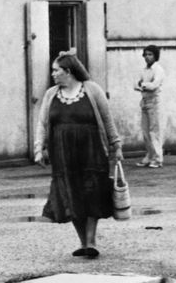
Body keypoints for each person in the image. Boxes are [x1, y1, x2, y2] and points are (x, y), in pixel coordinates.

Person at [34, 52, 123, 259]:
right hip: (62, 153)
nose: (53, 74)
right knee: (70, 193)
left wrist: (116, 145)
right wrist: (39, 149)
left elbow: (107, 119)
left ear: (68, 71)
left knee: (92, 191)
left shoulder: (92, 90)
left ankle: (91, 241)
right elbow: (42, 123)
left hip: (91, 150)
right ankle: (83, 242)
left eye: (56, 70)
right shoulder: (51, 94)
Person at [134, 45, 164, 168]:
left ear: (155, 56)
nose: (147, 57)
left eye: (150, 54)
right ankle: (149, 156)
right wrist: (143, 85)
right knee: (145, 131)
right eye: (146, 54)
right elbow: (135, 84)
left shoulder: (158, 69)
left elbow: (154, 85)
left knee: (154, 132)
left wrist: (143, 84)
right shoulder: (143, 70)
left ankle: (158, 158)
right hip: (145, 101)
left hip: (155, 101)